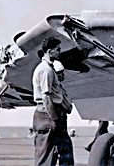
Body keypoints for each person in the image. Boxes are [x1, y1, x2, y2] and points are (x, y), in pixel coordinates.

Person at [32, 36, 73, 166]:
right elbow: (46, 97)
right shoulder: (46, 70)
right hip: (49, 115)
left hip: (51, 115)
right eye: (58, 49)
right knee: (46, 157)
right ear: (50, 52)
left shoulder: (49, 68)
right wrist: (54, 119)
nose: (60, 52)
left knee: (65, 153)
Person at [53, 60, 74, 165]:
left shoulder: (56, 88)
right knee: (66, 154)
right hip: (59, 125)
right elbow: (68, 107)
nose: (63, 75)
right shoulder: (58, 89)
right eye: (60, 73)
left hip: (58, 124)